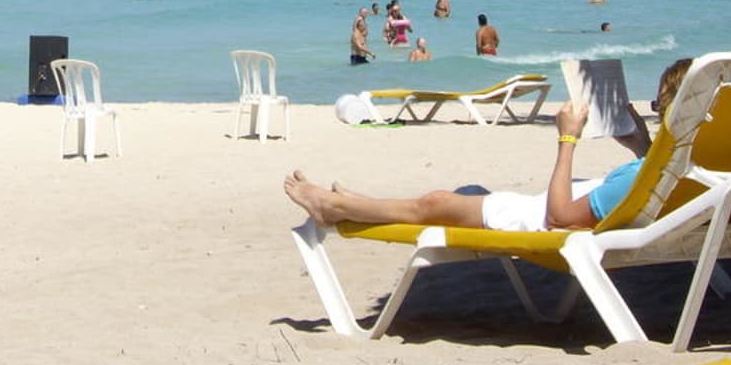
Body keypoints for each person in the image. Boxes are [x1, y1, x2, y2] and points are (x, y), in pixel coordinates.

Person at [284, 59, 692, 233]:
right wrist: (644, 147)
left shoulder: (644, 176)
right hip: (601, 203)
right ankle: (357, 202)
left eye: (659, 105)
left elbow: (560, 218)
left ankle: (333, 208)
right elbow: (660, 186)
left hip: (541, 217)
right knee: (459, 199)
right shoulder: (705, 165)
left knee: (435, 203)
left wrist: (568, 138)